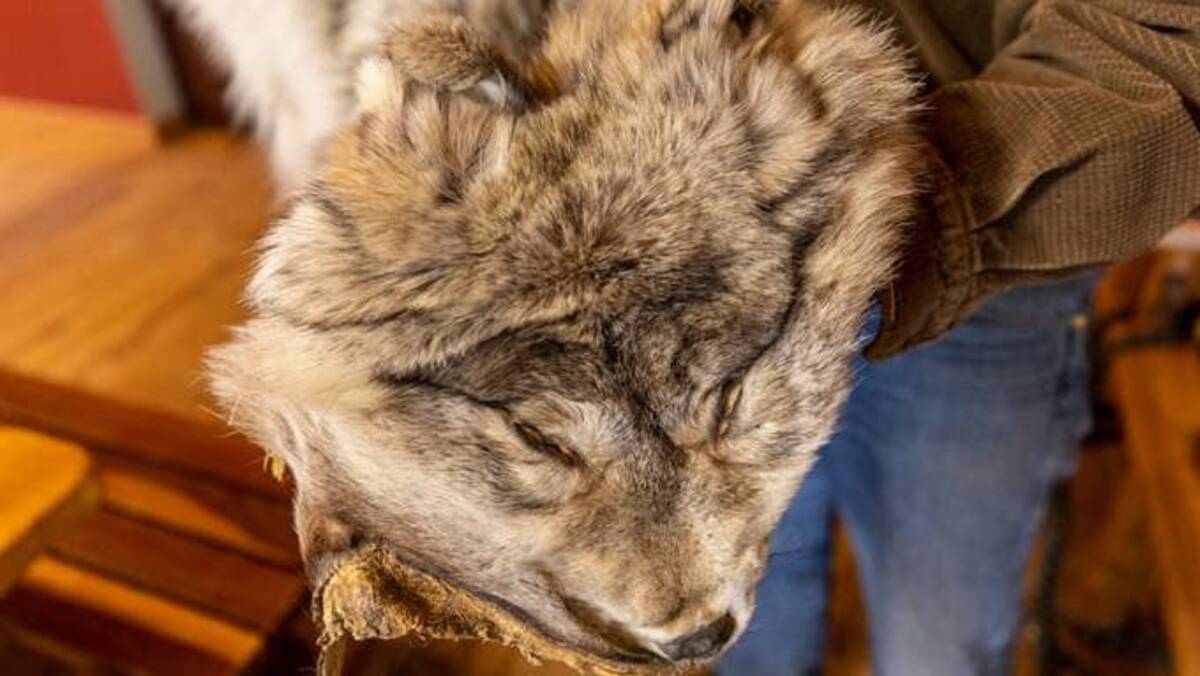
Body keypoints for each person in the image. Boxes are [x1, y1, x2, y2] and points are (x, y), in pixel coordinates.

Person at [719, 1, 1200, 674]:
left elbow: (1170, 42)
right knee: (749, 630)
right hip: (698, 323)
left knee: (939, 645)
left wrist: (912, 231)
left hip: (984, 274)